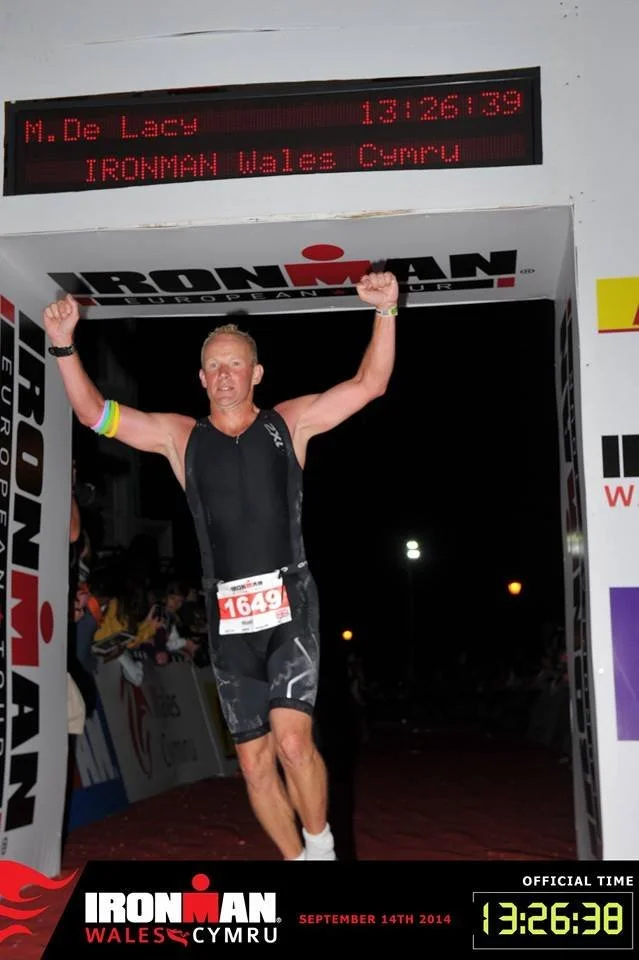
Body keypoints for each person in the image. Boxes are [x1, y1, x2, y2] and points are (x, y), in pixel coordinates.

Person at [43, 269, 399, 861]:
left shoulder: (289, 423)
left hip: (290, 606)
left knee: (291, 743)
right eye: (214, 366)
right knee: (255, 764)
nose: (224, 374)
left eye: (235, 364)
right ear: (201, 377)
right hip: (228, 615)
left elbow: (371, 382)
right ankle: (298, 861)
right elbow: (94, 414)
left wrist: (385, 311)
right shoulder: (179, 437)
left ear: (256, 373)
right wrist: (63, 346)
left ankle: (321, 843)